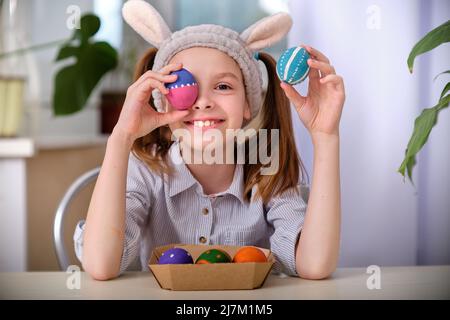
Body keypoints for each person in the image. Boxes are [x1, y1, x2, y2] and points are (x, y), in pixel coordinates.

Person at [74, 0, 345, 281]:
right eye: (183, 84)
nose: (203, 102)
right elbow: (100, 265)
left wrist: (326, 138)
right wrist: (121, 138)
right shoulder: (146, 169)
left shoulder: (266, 168)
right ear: (162, 104)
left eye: (223, 86)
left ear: (247, 105)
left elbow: (315, 265)